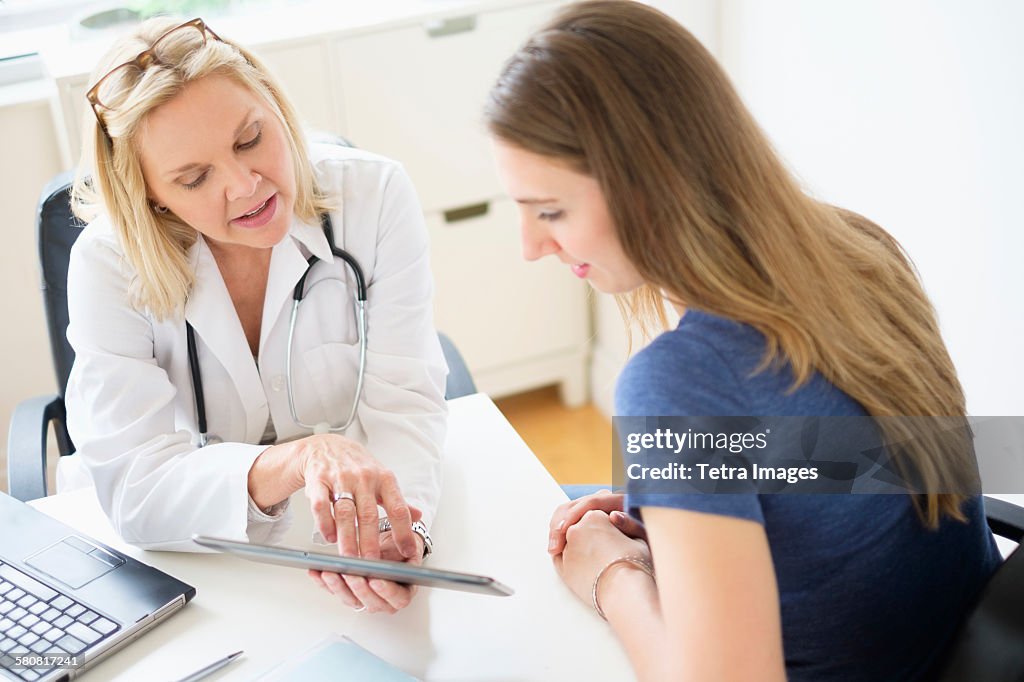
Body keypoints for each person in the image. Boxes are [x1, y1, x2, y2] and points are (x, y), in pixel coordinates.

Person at [484, 2, 1001, 679]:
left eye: (550, 211)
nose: (530, 247)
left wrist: (610, 573)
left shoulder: (679, 381)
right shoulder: (858, 248)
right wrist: (686, 504)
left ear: (649, 187)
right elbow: (865, 464)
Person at [64, 17, 447, 614]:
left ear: (275, 105)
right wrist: (298, 460)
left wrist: (400, 532)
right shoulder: (108, 266)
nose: (246, 187)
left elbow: (403, 404)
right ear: (149, 194)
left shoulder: (373, 199)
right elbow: (137, 489)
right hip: (195, 571)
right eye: (194, 178)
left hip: (342, 534)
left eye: (250, 140)